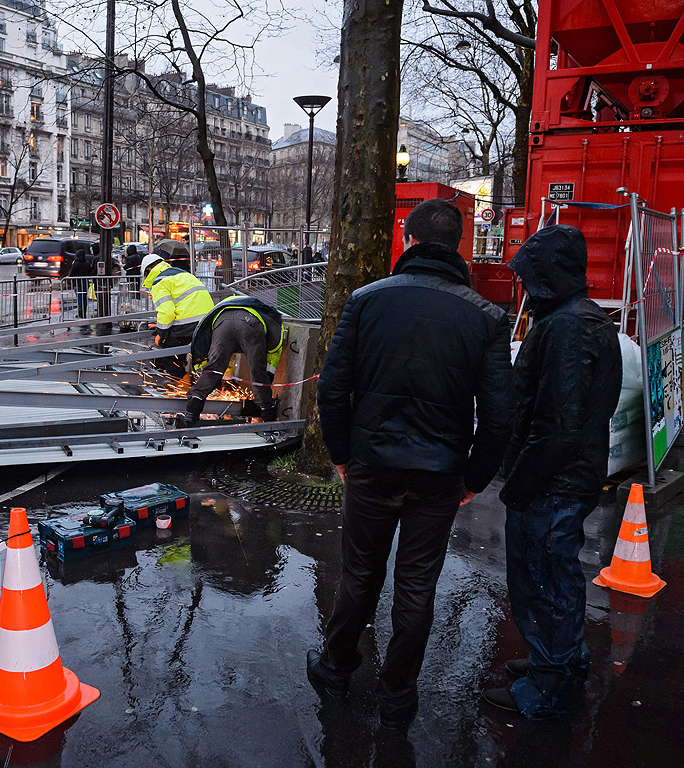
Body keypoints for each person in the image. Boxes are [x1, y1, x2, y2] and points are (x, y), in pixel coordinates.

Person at [308, 198, 514, 730]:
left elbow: (332, 391)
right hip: (440, 472)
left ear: (408, 238)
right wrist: (474, 477)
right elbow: (498, 414)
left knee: (359, 572)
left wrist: (343, 456)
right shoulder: (487, 316)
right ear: (460, 245)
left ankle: (336, 667)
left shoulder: (366, 300)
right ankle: (398, 693)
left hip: (372, 464)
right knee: (418, 583)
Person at [484, 225, 621, 719]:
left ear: (546, 275)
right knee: (557, 577)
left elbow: (558, 423)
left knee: (543, 581)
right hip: (568, 478)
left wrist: (519, 484)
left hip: (552, 483)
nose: (522, 286)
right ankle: (559, 661)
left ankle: (548, 686)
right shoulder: (586, 319)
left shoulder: (567, 326)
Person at [183, 295, 283, 424]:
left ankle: (191, 412)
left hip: (222, 323)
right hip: (250, 323)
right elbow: (274, 351)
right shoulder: (265, 316)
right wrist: (268, 375)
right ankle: (268, 414)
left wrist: (207, 372)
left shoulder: (224, 307)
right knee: (257, 371)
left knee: (213, 370)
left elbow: (220, 357)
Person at [141, 253, 214, 378]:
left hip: (187, 323)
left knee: (169, 354)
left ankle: (181, 382)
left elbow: (167, 312)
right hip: (208, 319)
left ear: (148, 271)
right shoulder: (182, 274)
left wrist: (161, 333)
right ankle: (201, 382)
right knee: (200, 355)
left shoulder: (159, 282)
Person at [68, 246, 92, 318]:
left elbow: (72, 274)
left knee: (79, 298)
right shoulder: (87, 264)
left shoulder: (75, 264)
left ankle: (80, 312)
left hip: (77, 284)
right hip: (85, 283)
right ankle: (84, 312)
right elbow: (90, 272)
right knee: (84, 298)